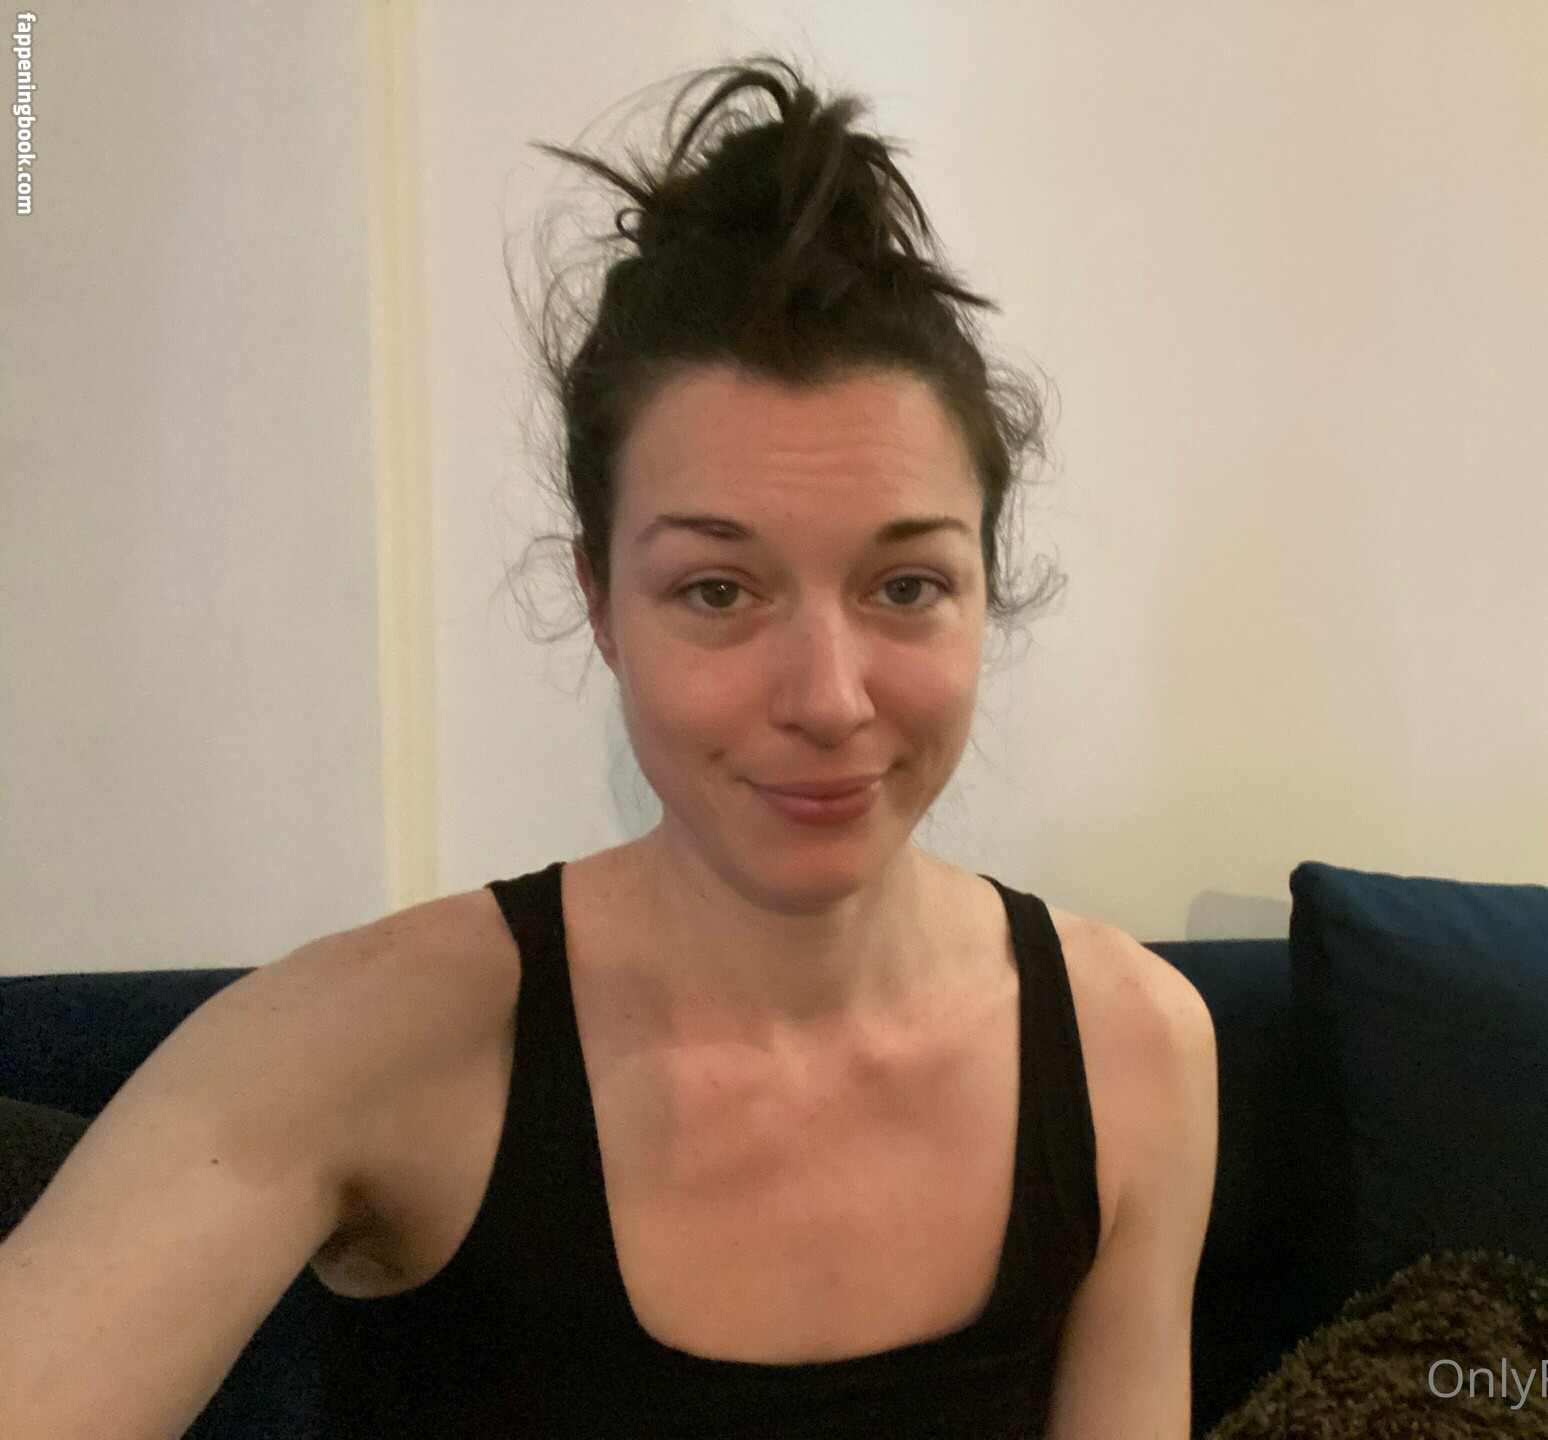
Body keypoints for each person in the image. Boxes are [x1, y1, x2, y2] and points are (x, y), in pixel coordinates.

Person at [0, 56, 1218, 1439]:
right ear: (599, 603)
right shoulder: (365, 1042)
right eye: (719, 590)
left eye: (905, 585)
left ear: (985, 593)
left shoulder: (1133, 1052)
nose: (828, 698)